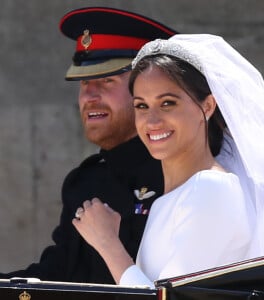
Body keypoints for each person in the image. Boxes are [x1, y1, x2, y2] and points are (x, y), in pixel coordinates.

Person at [72, 34, 264, 288]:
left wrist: (108, 244)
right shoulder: (174, 197)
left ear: (208, 106)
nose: (152, 120)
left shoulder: (211, 189)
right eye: (141, 106)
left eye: (168, 103)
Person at [0, 7, 176, 283]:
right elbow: (56, 277)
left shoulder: (183, 170)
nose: (90, 95)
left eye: (107, 80)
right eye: (84, 82)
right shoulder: (85, 181)